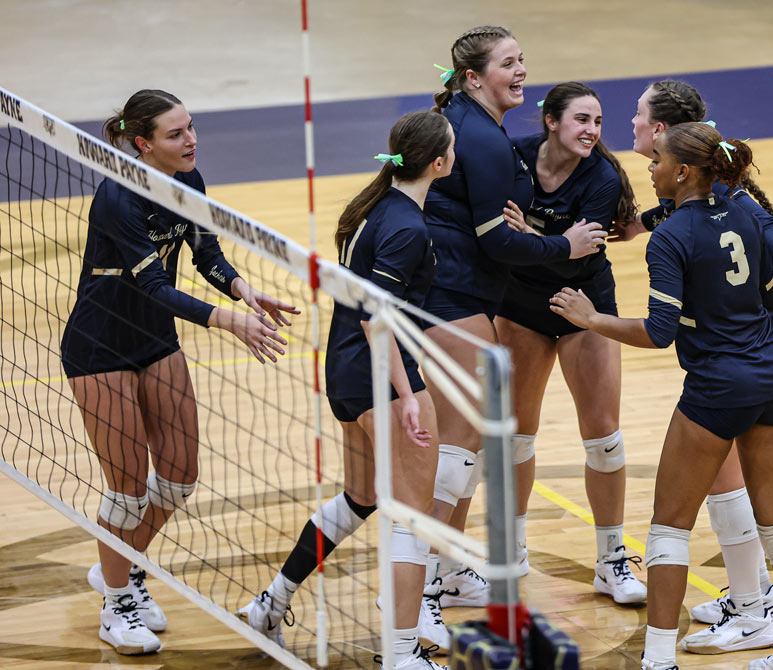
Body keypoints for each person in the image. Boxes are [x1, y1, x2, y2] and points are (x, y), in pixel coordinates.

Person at [551, 123, 773, 670]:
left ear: (683, 172)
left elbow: (659, 331)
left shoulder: (672, 237)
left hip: (717, 389)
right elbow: (771, 276)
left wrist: (592, 318)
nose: (648, 168)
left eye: (656, 161)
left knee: (670, 525)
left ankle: (656, 662)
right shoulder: (745, 211)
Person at [62, 89, 298, 655]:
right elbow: (154, 286)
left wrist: (244, 291)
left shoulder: (189, 182)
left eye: (191, 128)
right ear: (143, 144)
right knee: (126, 489)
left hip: (155, 340)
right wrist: (226, 321)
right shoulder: (119, 196)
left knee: (178, 477)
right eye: (176, 133)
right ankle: (117, 602)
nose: (191, 140)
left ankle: (120, 565)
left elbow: (206, 253)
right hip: (101, 347)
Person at [238, 110, 453, 670]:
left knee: (361, 498)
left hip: (345, 375)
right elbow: (378, 320)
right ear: (439, 162)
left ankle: (270, 603)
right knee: (414, 519)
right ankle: (403, 655)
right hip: (381, 377)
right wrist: (408, 394)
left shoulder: (374, 207)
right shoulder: (407, 226)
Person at [614, 80, 773, 654]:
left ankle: (742, 613)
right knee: (770, 512)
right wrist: (648, 221)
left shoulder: (691, 225)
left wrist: (590, 319)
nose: (630, 126)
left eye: (638, 118)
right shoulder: (723, 200)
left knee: (683, 515)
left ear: (668, 148)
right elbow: (754, 228)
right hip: (769, 367)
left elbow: (658, 330)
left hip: (734, 358)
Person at [420, 26, 607, 613]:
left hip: (459, 291)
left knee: (470, 437)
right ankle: (426, 576)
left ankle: (443, 567)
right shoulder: (485, 138)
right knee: (462, 441)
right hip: (452, 294)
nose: (522, 70)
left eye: (523, 59)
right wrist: (563, 247)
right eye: (509, 63)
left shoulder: (469, 121)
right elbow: (496, 239)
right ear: (474, 77)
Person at [492, 81, 645, 603]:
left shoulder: (601, 177)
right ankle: (510, 555)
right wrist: (545, 245)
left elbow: (578, 260)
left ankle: (612, 561)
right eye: (582, 119)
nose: (593, 131)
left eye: (598, 122)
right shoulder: (512, 158)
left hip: (587, 304)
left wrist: (531, 241)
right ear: (551, 121)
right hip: (520, 307)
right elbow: (494, 239)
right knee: (515, 436)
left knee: (604, 437)